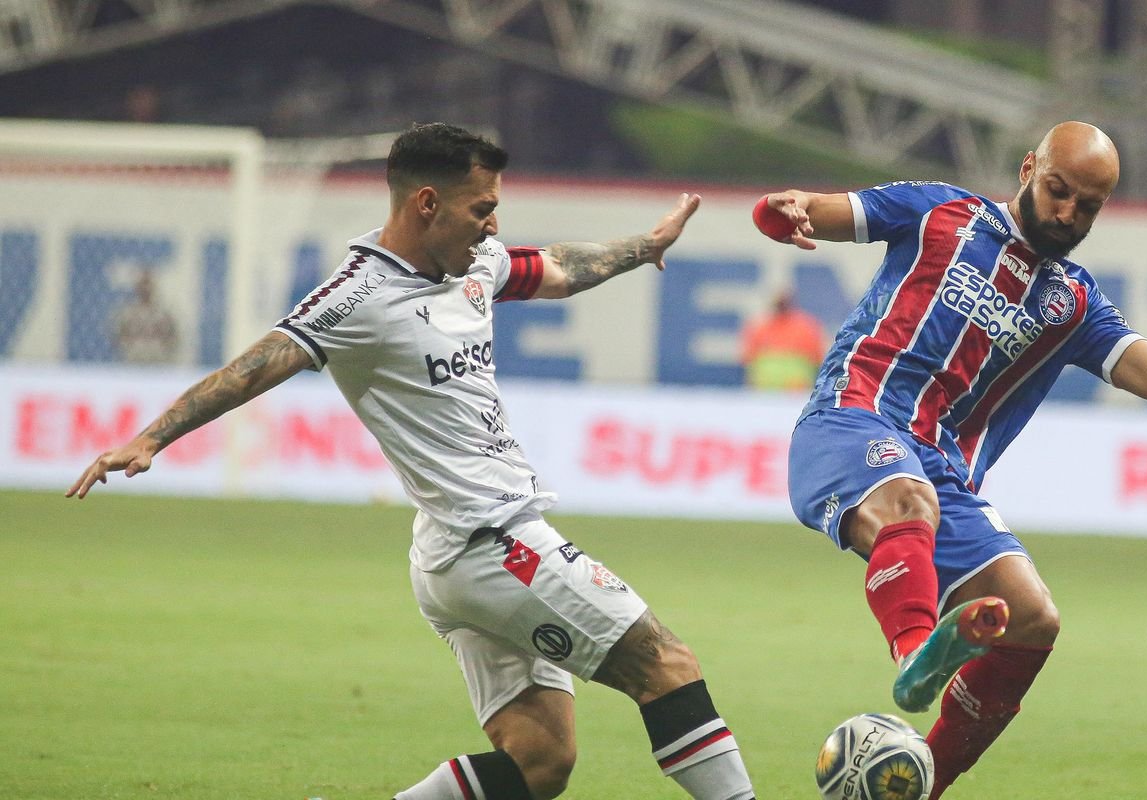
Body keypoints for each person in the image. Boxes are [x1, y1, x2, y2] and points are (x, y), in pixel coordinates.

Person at [66, 123, 756, 800]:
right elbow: (256, 365)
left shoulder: (474, 266)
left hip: (453, 552)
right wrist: (153, 437)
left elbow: (560, 267)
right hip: (493, 544)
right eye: (481, 208)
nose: (492, 226)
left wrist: (645, 246)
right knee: (666, 666)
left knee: (540, 762)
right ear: (427, 203)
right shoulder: (358, 296)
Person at [751, 121, 1147, 799]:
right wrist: (788, 212)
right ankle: (916, 653)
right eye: (1058, 190)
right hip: (850, 419)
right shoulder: (939, 211)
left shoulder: (1074, 304)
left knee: (1031, 617)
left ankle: (923, 784)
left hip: (940, 471)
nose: (1068, 213)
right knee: (910, 502)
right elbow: (817, 211)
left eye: (1088, 205)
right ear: (1028, 169)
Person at [739, 289, 827, 391]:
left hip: (796, 390)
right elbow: (748, 361)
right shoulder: (759, 328)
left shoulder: (807, 327)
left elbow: (818, 359)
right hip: (765, 391)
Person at [112, 270, 180, 364]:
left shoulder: (164, 313)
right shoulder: (127, 312)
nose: (145, 288)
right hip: (134, 359)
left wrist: (161, 348)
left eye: (148, 284)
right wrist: (131, 346)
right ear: (137, 288)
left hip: (159, 360)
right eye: (142, 285)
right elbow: (119, 335)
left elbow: (174, 337)